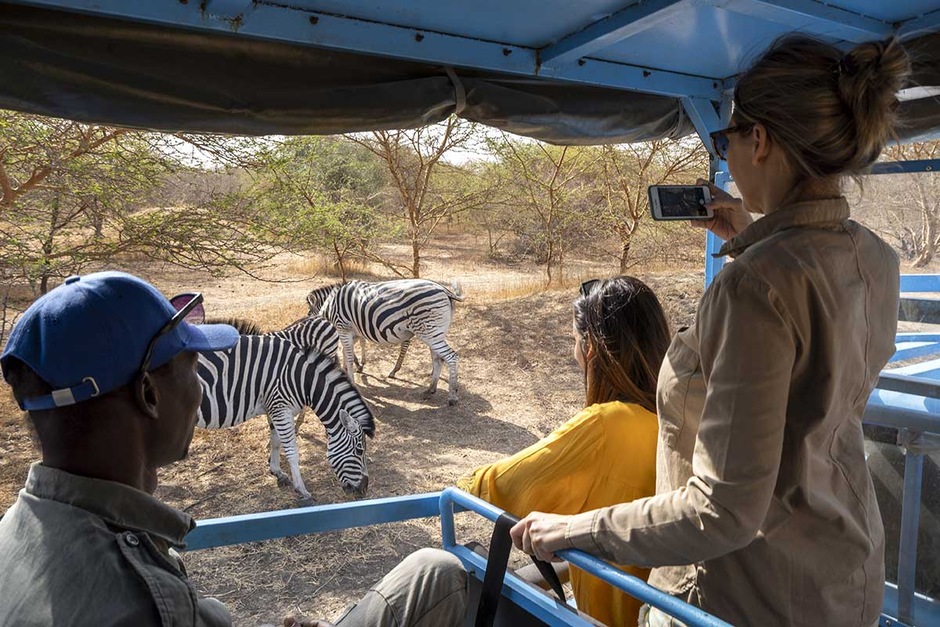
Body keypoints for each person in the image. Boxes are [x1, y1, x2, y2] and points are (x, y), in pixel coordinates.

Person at [508, 35, 910, 627]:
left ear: (760, 139)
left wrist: (574, 528)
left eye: (725, 138)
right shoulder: (875, 258)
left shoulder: (754, 286)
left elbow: (720, 512)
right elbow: (812, 399)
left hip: (750, 596)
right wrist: (750, 233)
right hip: (843, 573)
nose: (727, 153)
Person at [0, 270, 467, 626]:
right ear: (148, 394)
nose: (202, 389)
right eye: (194, 367)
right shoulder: (138, 600)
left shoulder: (17, 533)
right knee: (436, 570)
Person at [458, 276, 671, 626]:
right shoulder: (677, 421)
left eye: (574, 341)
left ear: (590, 348)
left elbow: (502, 487)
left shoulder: (606, 424)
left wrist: (460, 486)